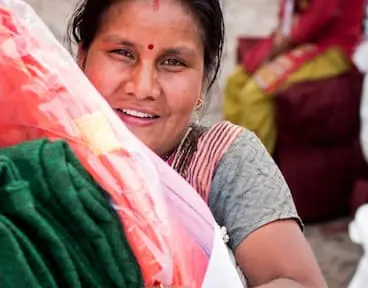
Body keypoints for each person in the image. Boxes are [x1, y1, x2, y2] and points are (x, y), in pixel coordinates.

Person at [61, 0, 326, 287]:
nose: (143, 88)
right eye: (122, 53)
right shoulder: (43, 152)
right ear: (82, 57)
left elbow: (294, 281)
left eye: (173, 62)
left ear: (204, 79)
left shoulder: (223, 160)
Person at [223, 0, 364, 154]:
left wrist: (284, 41)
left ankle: (252, 167)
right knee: (235, 81)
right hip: (297, 38)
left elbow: (316, 19)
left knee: (254, 93)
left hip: (329, 47)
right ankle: (231, 154)